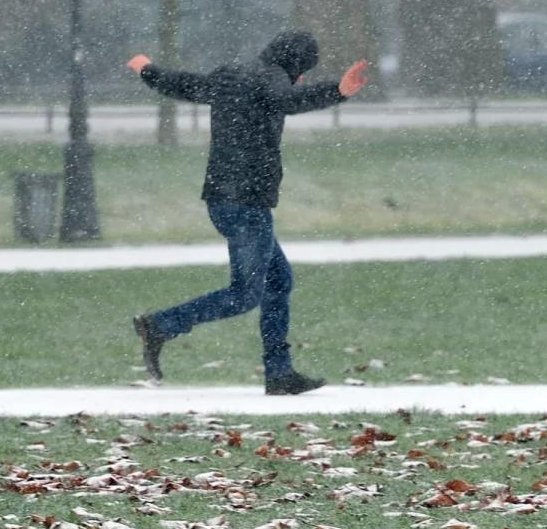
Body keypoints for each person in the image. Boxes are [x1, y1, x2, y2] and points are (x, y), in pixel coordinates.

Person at [127, 31, 370, 395]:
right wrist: (337, 91)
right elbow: (290, 99)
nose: (300, 78)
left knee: (278, 281)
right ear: (295, 66)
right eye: (302, 71)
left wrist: (147, 69)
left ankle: (280, 374)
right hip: (247, 202)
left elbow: (183, 84)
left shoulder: (230, 75)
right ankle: (161, 324)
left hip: (222, 198)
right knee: (245, 294)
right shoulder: (273, 80)